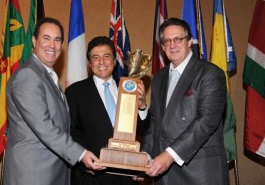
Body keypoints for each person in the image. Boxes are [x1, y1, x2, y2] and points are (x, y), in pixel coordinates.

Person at [2, 17, 103, 185]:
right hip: (32, 174)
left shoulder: (46, 75)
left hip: (52, 171)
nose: (52, 45)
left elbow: (62, 125)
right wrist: (81, 154)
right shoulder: (28, 76)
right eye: (46, 38)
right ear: (34, 41)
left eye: (57, 40)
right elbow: (44, 127)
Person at [139, 18, 229, 185]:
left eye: (178, 39)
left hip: (200, 172)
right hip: (163, 175)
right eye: (167, 40)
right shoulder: (158, 78)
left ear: (189, 42)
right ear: (163, 46)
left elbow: (206, 121)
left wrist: (168, 155)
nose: (172, 45)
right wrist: (145, 157)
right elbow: (155, 123)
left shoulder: (210, 74)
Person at [65, 36, 150, 185]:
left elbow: (142, 130)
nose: (102, 62)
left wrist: (142, 105)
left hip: (126, 175)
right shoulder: (75, 92)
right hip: (91, 176)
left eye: (106, 56)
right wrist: (83, 160)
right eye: (96, 58)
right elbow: (70, 133)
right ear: (90, 64)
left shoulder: (127, 87)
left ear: (114, 61)